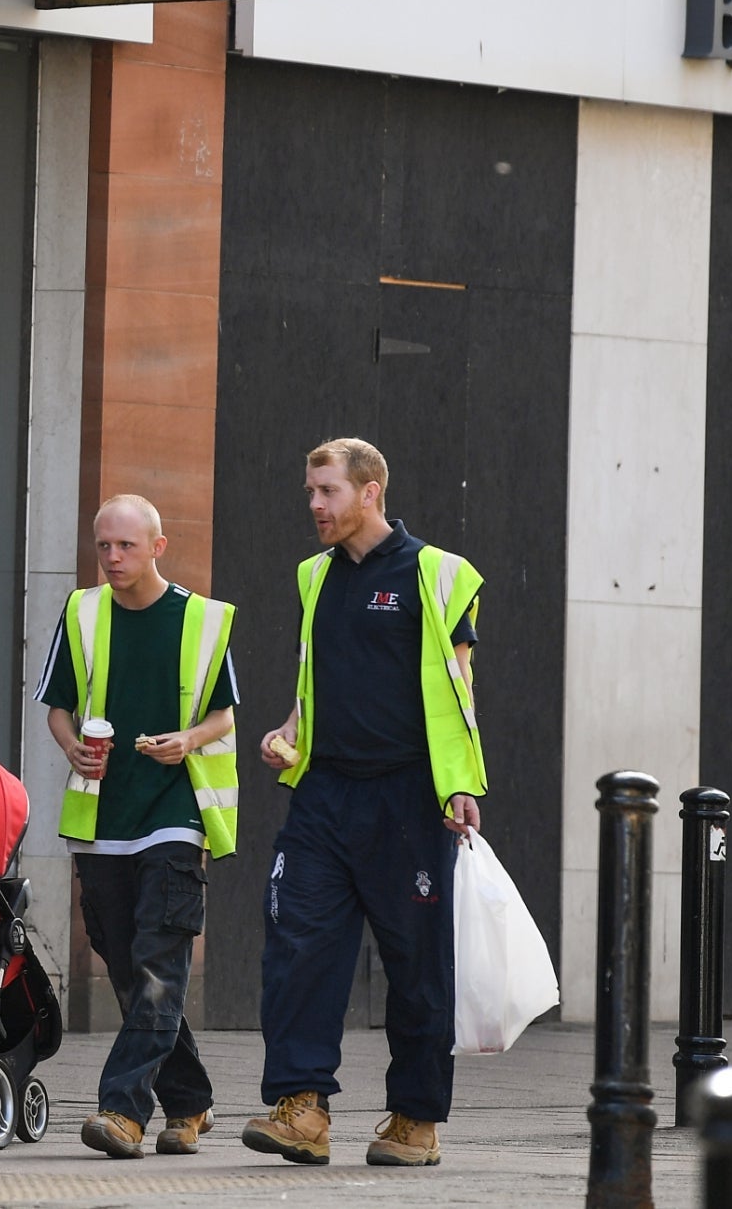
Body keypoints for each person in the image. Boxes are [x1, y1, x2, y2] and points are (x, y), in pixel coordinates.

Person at [243, 439, 487, 1169]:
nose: (314, 505)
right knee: (296, 944)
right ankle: (302, 1106)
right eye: (310, 491)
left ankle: (415, 1117)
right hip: (322, 795)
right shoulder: (313, 576)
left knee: (416, 966)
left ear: (370, 490)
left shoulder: (438, 574)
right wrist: (288, 732)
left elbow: (460, 690)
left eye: (327, 491)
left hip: (409, 798)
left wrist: (460, 783)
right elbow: (312, 681)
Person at [38, 496, 239, 1161]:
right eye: (104, 546)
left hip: (177, 811)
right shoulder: (81, 612)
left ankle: (122, 1110)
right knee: (125, 964)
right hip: (104, 812)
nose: (113, 558)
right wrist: (71, 746)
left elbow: (224, 718)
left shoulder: (201, 619)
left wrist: (187, 739)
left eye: (126, 545)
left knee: (158, 958)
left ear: (158, 545)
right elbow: (59, 708)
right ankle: (190, 1100)